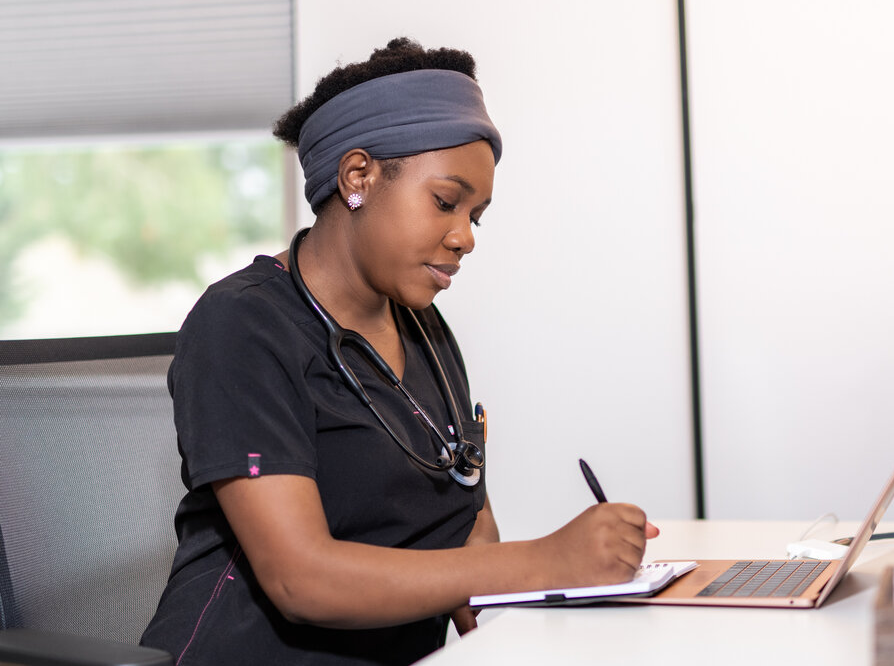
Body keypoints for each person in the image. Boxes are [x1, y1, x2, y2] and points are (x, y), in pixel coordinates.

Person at [141, 38, 657, 664]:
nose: (465, 237)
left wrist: (534, 629)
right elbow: (300, 580)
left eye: (477, 215)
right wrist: (544, 559)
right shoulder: (243, 326)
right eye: (446, 201)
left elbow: (469, 530)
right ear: (358, 177)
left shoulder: (426, 334)